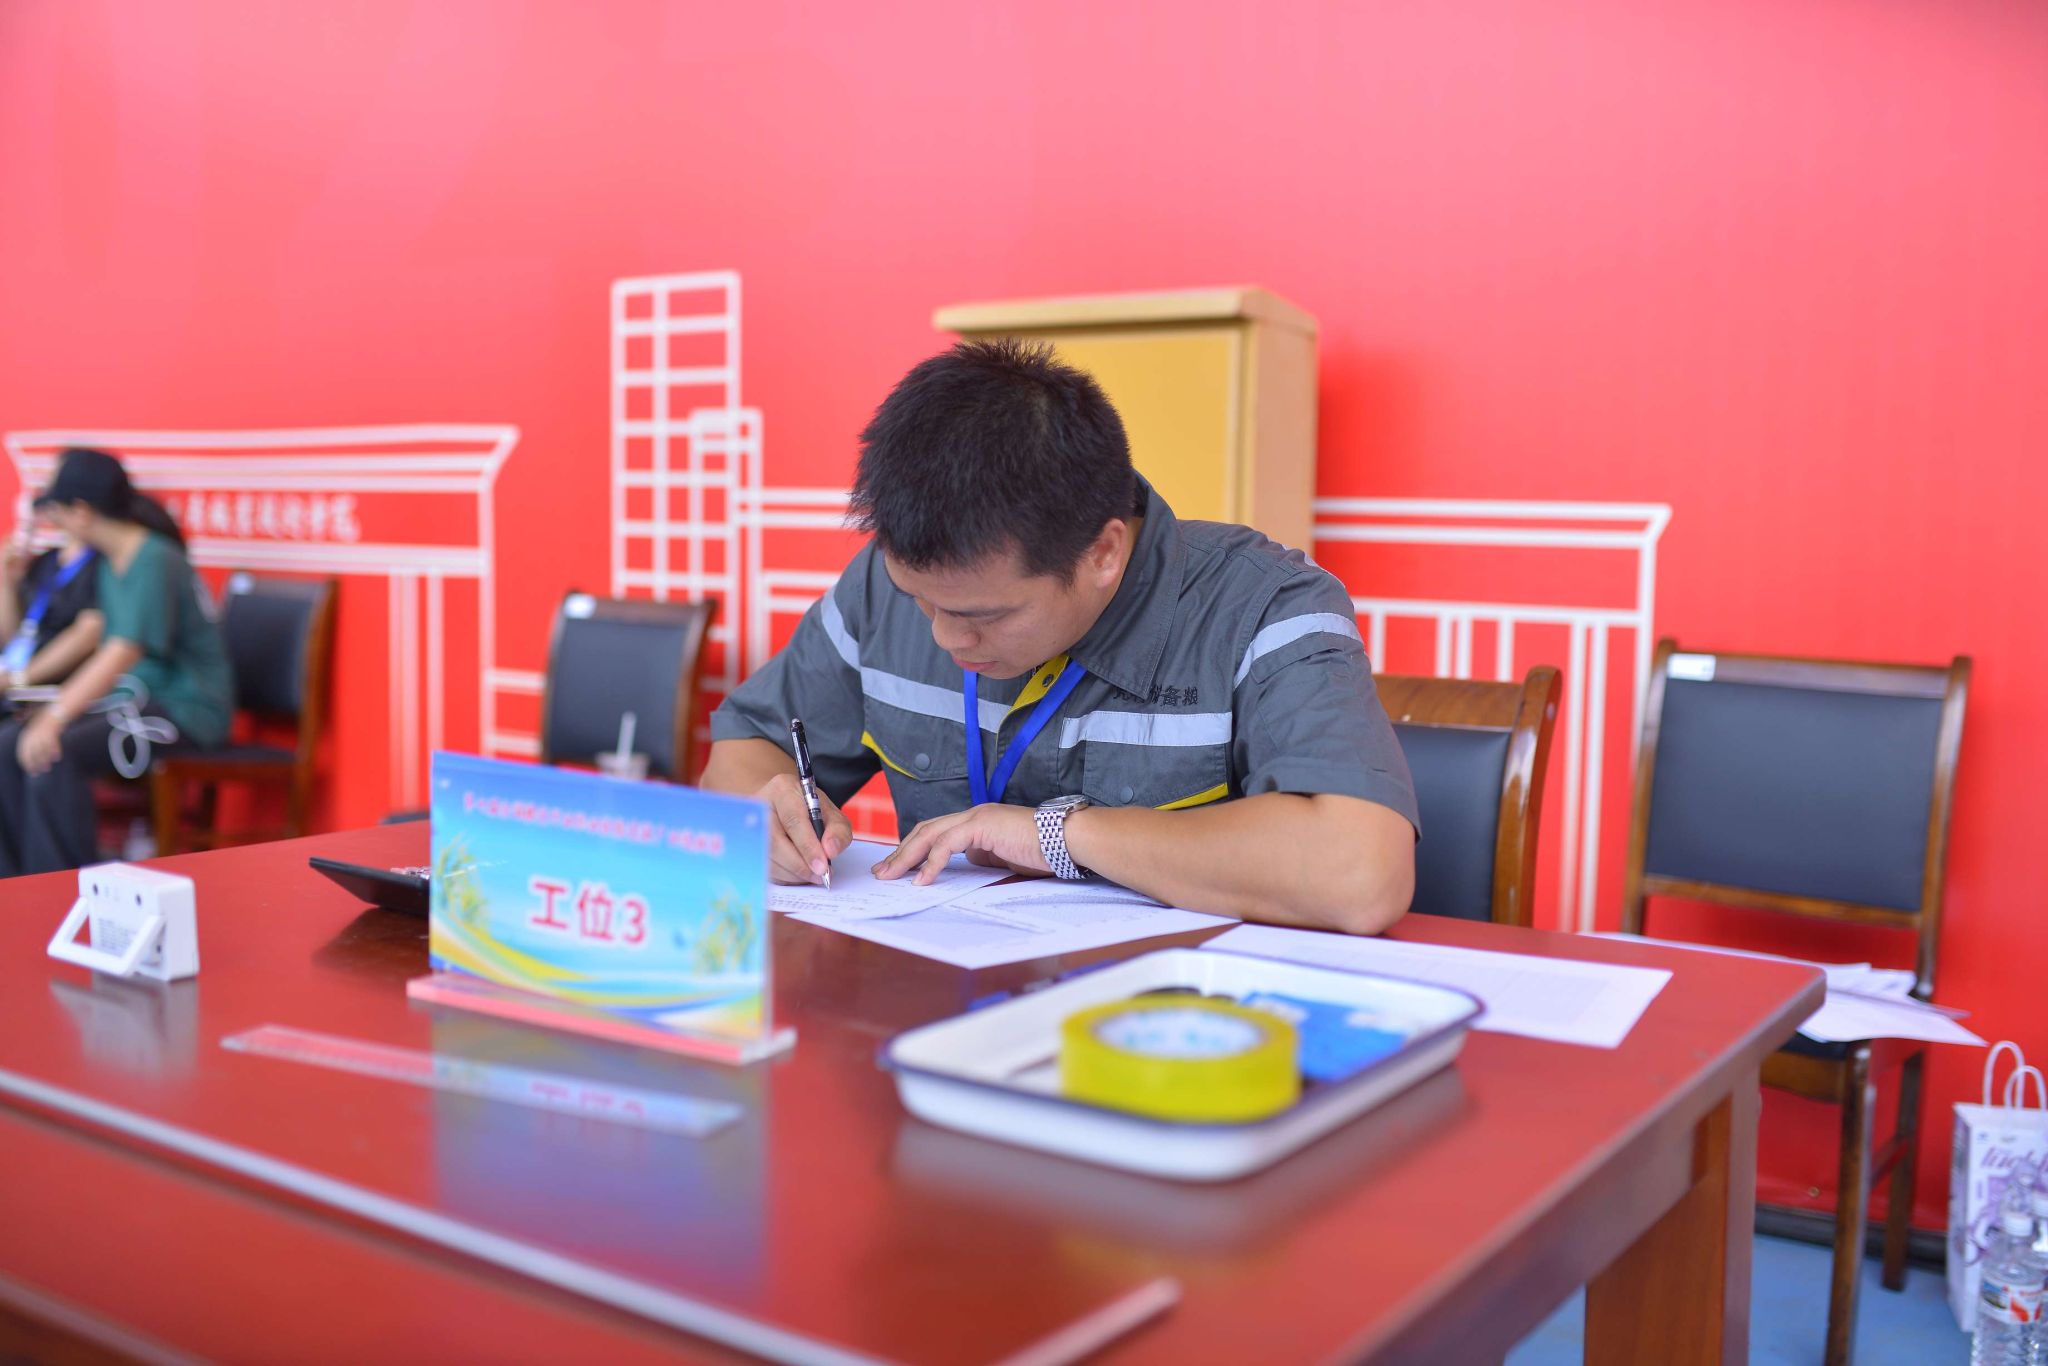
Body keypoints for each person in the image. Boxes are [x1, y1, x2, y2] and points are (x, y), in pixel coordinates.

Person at [703, 340, 1418, 934]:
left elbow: (1359, 873)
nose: (946, 637)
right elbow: (745, 745)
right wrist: (767, 816)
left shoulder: (1264, 607)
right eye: (920, 601)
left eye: (986, 616)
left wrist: (1057, 834)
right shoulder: (882, 589)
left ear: (1103, 553)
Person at [0, 448, 235, 877]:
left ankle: (60, 891)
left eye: (58, 511)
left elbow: (123, 650)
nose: (54, 521)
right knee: (10, 742)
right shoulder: (113, 562)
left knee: (54, 751)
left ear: (82, 512)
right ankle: (15, 885)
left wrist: (55, 716)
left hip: (185, 710)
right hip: (135, 700)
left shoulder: (154, 558)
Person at [1, 517, 104, 690]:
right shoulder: (46, 561)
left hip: (57, 685)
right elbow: (14, 638)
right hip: (17, 676)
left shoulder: (102, 563)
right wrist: (6, 582)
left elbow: (90, 632)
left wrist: (16, 680)